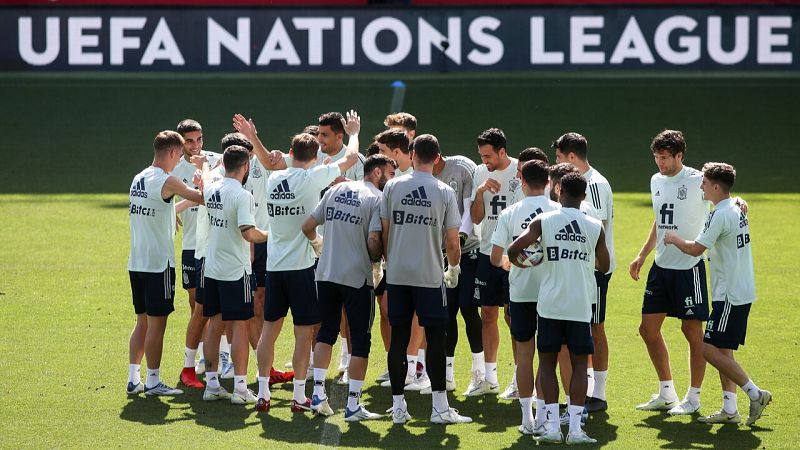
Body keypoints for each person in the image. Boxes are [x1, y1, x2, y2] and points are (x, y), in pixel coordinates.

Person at [233, 115, 359, 412]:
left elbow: (268, 161)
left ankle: (263, 392)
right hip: (302, 269)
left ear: (291, 155)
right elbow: (351, 157)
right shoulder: (314, 177)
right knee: (304, 333)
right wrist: (353, 132)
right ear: (315, 157)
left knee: (268, 331)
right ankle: (300, 396)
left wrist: (253, 136)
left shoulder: (276, 177)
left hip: (274, 268)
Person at [664, 162, 770, 426]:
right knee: (723, 350)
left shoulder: (720, 214)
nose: (700, 186)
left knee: (708, 350)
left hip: (731, 294)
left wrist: (673, 238)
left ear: (715, 186)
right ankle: (730, 410)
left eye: (704, 183)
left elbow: (696, 249)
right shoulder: (733, 206)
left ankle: (755, 393)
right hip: (737, 290)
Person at [508, 172, 609, 445]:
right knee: (578, 365)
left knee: (547, 363)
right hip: (579, 305)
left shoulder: (543, 220)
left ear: (558, 189)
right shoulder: (594, 225)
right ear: (584, 196)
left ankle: (552, 427)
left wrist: (526, 264)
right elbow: (606, 265)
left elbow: (513, 250)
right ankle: (575, 430)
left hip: (550, 305)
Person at [381, 134, 471, 424]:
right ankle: (440, 409)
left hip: (397, 275)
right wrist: (454, 268)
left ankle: (397, 409)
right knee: (435, 338)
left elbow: (383, 230)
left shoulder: (393, 186)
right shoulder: (444, 191)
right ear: (436, 158)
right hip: (430, 276)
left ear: (411, 153)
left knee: (398, 339)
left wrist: (386, 261)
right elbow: (453, 242)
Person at [301, 154, 397, 421]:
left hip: (326, 274)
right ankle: (354, 405)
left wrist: (320, 246)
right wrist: (377, 264)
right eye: (391, 173)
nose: (392, 178)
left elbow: (307, 226)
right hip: (357, 278)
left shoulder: (336, 189)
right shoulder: (377, 199)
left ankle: (318, 394)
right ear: (377, 172)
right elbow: (374, 241)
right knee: (360, 340)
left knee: (326, 333)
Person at [630, 130, 714, 415]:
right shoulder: (656, 180)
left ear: (679, 155)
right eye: (656, 157)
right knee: (647, 329)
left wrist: (737, 202)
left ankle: (694, 397)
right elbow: (660, 218)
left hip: (688, 267)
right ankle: (667, 393)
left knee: (692, 331)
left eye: (665, 158)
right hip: (661, 267)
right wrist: (643, 254)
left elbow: (723, 194)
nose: (660, 163)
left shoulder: (697, 179)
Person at [127, 130, 206, 396]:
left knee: (142, 322)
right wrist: (205, 178)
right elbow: (201, 198)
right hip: (159, 264)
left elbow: (162, 207)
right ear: (173, 153)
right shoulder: (168, 180)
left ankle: (133, 377)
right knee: (157, 324)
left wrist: (175, 209)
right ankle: (153, 381)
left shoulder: (139, 178)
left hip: (136, 262)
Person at [490, 160, 559, 435]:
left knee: (524, 355)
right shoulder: (558, 211)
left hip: (520, 294)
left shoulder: (510, 213)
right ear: (549, 183)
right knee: (547, 356)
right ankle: (544, 416)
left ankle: (526, 419)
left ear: (522, 182)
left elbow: (496, 258)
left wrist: (509, 262)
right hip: (551, 293)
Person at [200, 146, 269, 405]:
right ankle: (240, 388)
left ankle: (212, 384)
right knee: (240, 325)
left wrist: (205, 168)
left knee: (214, 324)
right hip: (235, 271)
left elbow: (206, 179)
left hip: (212, 267)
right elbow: (248, 233)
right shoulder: (242, 195)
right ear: (246, 166)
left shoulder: (211, 189)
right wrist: (272, 235)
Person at [553, 133, 615, 412]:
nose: (556, 162)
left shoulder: (595, 184)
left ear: (572, 158)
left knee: (595, 327)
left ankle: (598, 394)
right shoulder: (576, 182)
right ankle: (585, 388)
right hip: (581, 266)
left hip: (595, 270)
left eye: (558, 157)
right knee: (581, 329)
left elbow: (595, 228)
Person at [171, 119, 222, 388]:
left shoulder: (215, 160)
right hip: (190, 245)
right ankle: (203, 355)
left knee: (213, 305)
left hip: (212, 243)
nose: (196, 145)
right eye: (189, 141)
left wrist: (175, 209)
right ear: (180, 143)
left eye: (199, 139)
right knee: (195, 304)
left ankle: (219, 354)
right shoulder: (173, 167)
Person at [468, 128, 519, 397]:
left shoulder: (519, 172)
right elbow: (476, 219)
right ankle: (489, 378)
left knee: (513, 317)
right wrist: (479, 192)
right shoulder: (479, 172)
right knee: (487, 313)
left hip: (512, 256)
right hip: (487, 253)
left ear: (502, 151)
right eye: (481, 156)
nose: (485, 161)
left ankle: (518, 378)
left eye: (488, 156)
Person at [428, 151, 484, 395]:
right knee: (447, 312)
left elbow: (470, 207)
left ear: (436, 158)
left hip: (469, 249)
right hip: (441, 252)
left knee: (468, 308)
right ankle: (447, 375)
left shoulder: (462, 168)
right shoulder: (421, 176)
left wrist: (460, 236)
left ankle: (480, 373)